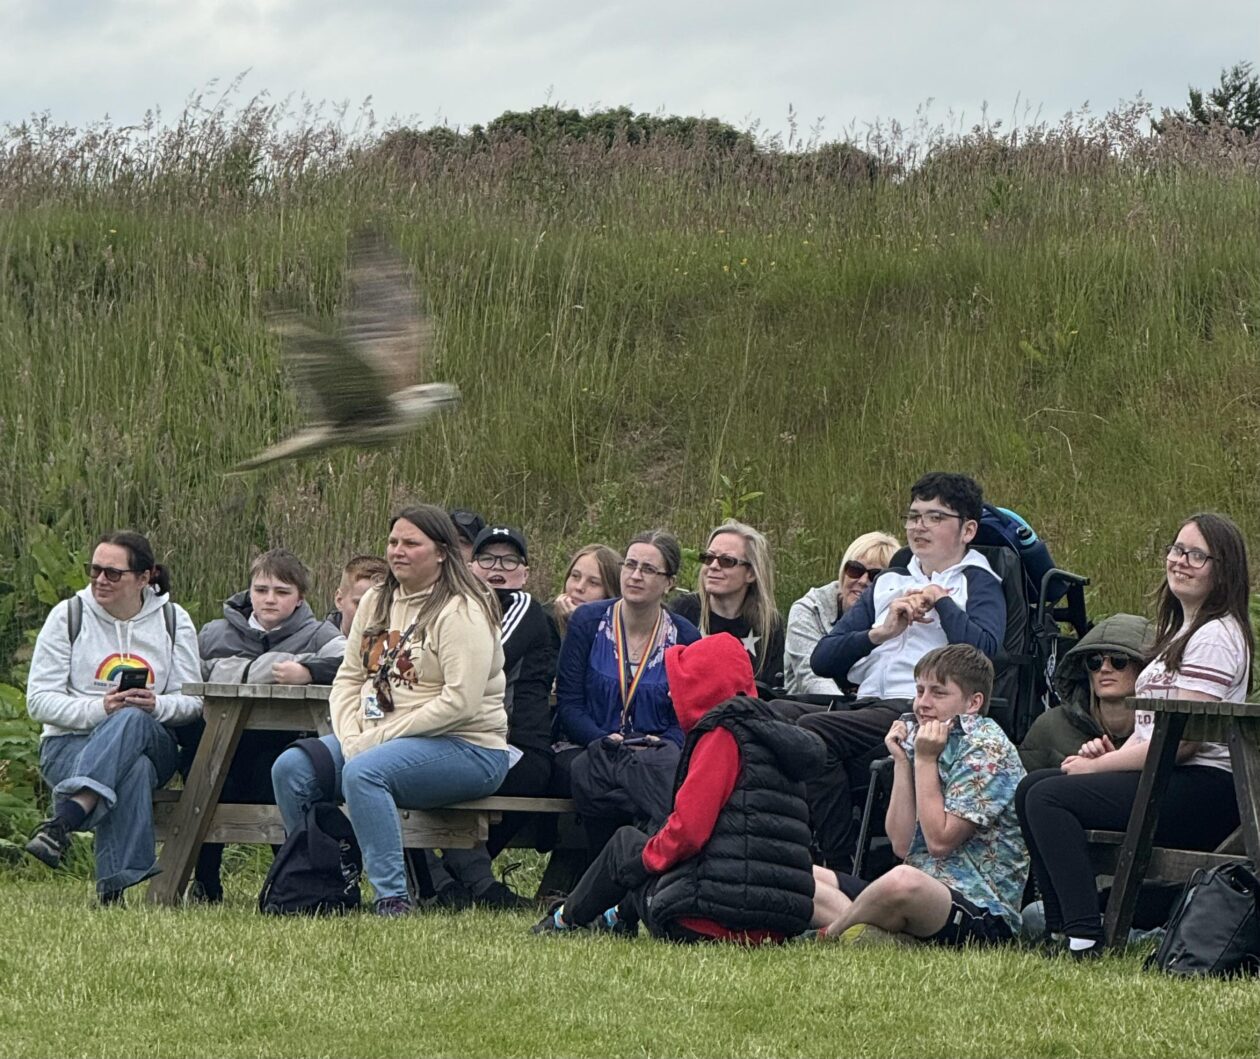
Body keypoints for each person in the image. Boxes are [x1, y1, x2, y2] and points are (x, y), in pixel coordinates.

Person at [1016, 512, 1252, 957]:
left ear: (1224, 570)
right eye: (1177, 549)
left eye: (1196, 555)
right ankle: (1060, 927)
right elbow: (1158, 735)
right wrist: (1113, 753)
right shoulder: (1182, 631)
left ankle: (1084, 936)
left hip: (1205, 791)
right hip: (1168, 778)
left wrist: (1099, 766)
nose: (1180, 561)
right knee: (1032, 786)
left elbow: (1185, 742)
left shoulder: (1217, 636)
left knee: (1048, 797)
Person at [271, 504, 511, 917]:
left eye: (411, 543)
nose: (398, 551)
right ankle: (321, 882)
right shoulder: (377, 601)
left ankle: (391, 898)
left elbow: (460, 701)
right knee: (292, 768)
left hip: (468, 746)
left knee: (365, 773)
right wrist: (351, 737)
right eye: (393, 542)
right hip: (374, 739)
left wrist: (374, 741)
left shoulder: (462, 610)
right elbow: (348, 678)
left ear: (441, 552)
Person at [534, 633, 825, 941]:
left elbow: (690, 831)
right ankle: (616, 917)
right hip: (774, 924)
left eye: (681, 684)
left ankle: (562, 921)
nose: (672, 695)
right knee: (654, 845)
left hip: (710, 920)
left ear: (704, 685)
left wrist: (642, 862)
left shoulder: (722, 735)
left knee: (628, 845)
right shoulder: (779, 738)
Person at [801, 472, 1006, 873]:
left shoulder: (979, 581)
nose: (918, 527)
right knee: (764, 721)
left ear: (967, 530)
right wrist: (880, 632)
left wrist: (941, 602)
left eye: (933, 517)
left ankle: (837, 863)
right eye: (913, 517)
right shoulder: (889, 581)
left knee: (810, 731)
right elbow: (822, 660)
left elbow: (986, 653)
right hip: (862, 703)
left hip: (915, 710)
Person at [24, 531, 203, 904]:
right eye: (95, 570)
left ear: (144, 577)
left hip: (155, 739)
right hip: (68, 745)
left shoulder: (173, 619)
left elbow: (193, 702)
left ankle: (68, 818)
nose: (100, 580)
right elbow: (38, 702)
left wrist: (156, 705)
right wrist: (100, 708)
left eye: (112, 573)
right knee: (131, 767)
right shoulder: (68, 615)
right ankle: (113, 891)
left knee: (133, 720)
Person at [812, 645, 1028, 947]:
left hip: (980, 909)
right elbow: (902, 844)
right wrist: (902, 761)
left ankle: (828, 936)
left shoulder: (987, 749)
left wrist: (925, 761)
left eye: (938, 693)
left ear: (973, 702)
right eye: (920, 691)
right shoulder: (931, 738)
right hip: (920, 891)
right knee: (804, 875)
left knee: (903, 881)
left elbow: (940, 842)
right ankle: (879, 932)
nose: (922, 703)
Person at [190, 547, 347, 902]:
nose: (269, 600)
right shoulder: (214, 634)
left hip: (281, 743)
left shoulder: (318, 634)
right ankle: (203, 882)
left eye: (282, 592)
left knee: (275, 777)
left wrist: (308, 671)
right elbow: (184, 677)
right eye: (261, 590)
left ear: (300, 598)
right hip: (216, 744)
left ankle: (288, 882)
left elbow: (353, 663)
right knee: (205, 776)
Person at [424, 524, 558, 909]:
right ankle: (456, 884)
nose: (497, 568)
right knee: (387, 768)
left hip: (516, 750)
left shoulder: (523, 608)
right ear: (469, 565)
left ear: (526, 572)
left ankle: (459, 883)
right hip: (464, 740)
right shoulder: (456, 607)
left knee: (404, 775)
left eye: (509, 559)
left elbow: (473, 664)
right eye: (487, 558)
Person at [554, 529, 701, 853]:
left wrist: (660, 746)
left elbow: (686, 717)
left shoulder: (685, 636)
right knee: (590, 770)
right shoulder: (588, 622)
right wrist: (602, 740)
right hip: (590, 744)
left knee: (659, 772)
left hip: (657, 752)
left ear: (669, 582)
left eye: (648, 569)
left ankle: (634, 866)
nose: (635, 575)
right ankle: (614, 865)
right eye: (630, 565)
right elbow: (570, 704)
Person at [1019, 614, 1153, 771]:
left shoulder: (1158, 731)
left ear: (1146, 668)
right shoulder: (1051, 726)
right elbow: (1021, 787)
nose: (1104, 668)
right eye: (1094, 661)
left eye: (1119, 660)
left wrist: (1110, 763)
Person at [669, 520, 786, 689]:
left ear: (751, 573)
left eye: (727, 561)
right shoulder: (683, 612)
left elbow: (770, 693)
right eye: (709, 558)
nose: (713, 566)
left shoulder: (769, 625)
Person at [784, 531, 900, 697]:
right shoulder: (809, 610)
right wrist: (851, 713)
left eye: (876, 576)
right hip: (813, 708)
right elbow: (812, 677)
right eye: (855, 570)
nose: (862, 581)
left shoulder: (897, 618)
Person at [550, 543, 622, 639]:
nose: (579, 587)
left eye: (593, 583)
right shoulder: (542, 621)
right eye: (575, 576)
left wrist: (580, 622)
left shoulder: (618, 635)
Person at [327, 554, 389, 637]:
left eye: (381, 606)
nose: (372, 614)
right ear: (339, 600)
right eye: (360, 604)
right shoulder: (317, 646)